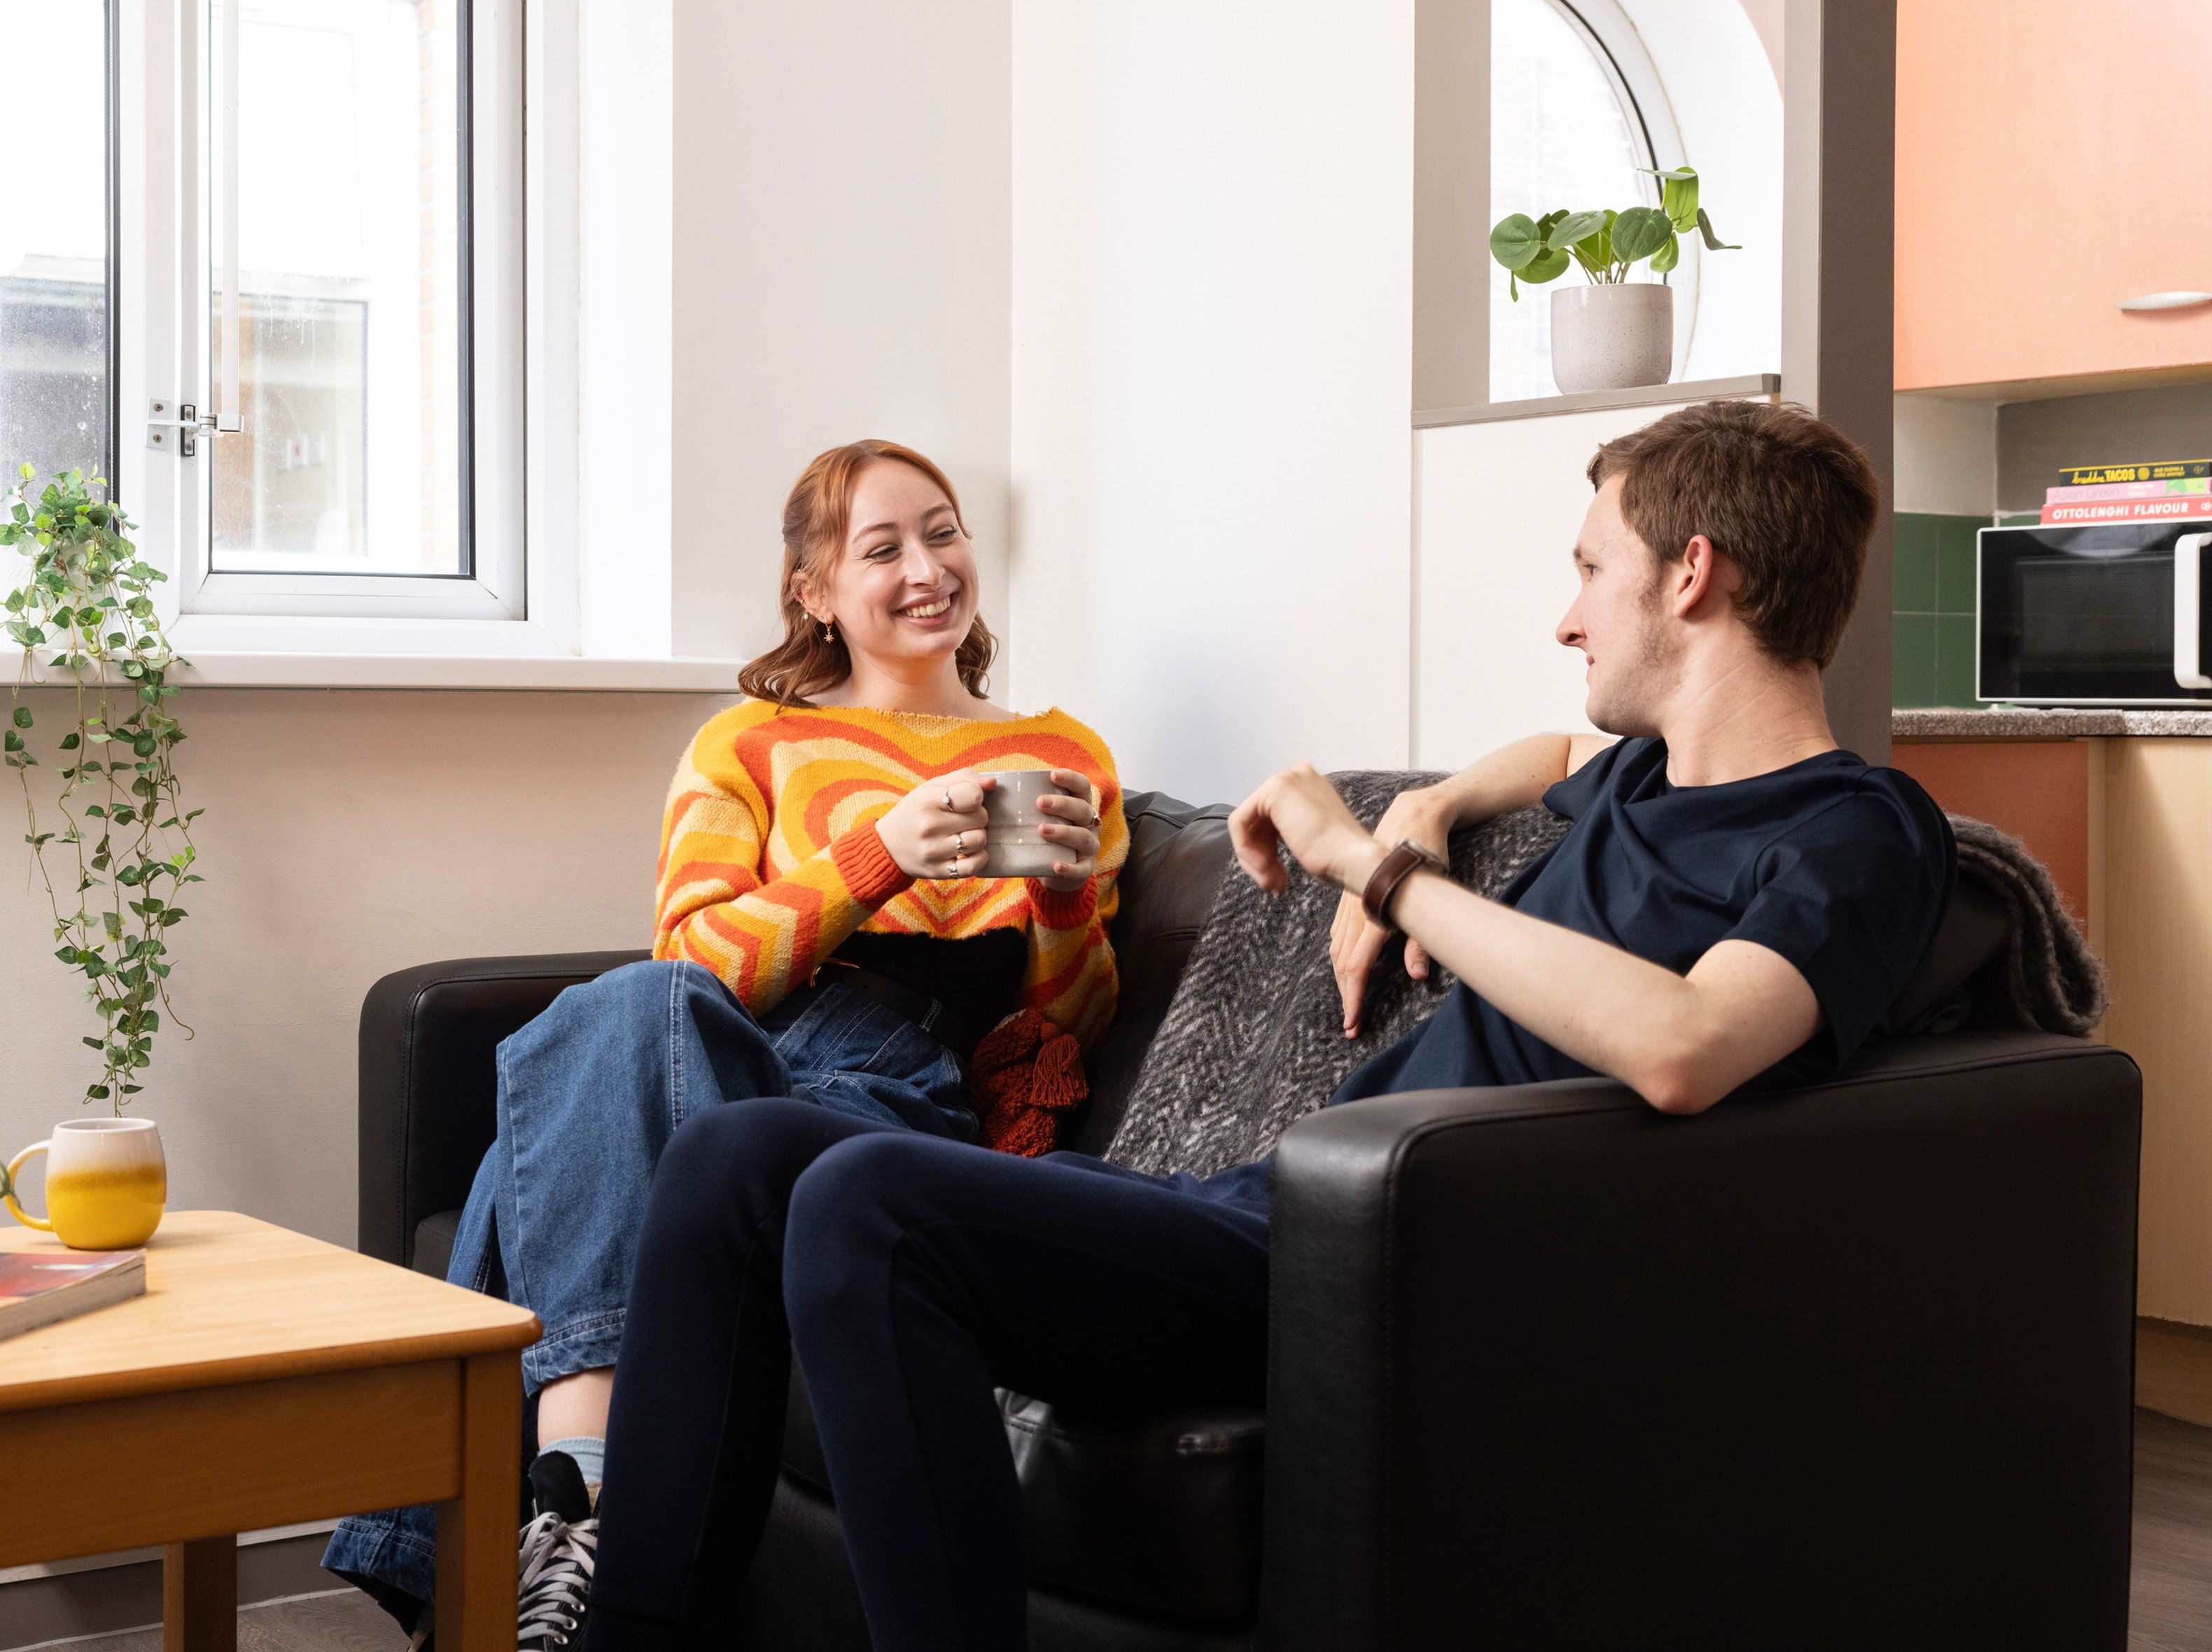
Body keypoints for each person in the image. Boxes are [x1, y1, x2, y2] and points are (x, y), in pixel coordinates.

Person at [571, 399, 1957, 1652]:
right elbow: (1551, 757)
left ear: (1694, 574)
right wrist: (1430, 804)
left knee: (868, 1198)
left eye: (1591, 570)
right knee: (736, 1159)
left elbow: (1689, 1044)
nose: (1568, 617)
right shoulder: (1645, 779)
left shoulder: (1859, 831)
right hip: (1278, 1213)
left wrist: (1378, 865)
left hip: (1390, 1252)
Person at [323, 438, 1130, 1648]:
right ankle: (587, 1515)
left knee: (534, 1136)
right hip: (725, 1042)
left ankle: (556, 1530)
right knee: (623, 1010)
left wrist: (1065, 905)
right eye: (884, 546)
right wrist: (880, 856)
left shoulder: (1062, 756)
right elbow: (695, 965)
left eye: (945, 531)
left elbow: (1062, 1030)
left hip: (891, 1084)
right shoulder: (744, 743)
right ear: (812, 590)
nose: (929, 567)